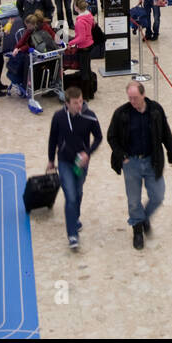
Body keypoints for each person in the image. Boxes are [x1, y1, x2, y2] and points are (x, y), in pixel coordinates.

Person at [107, 81, 172, 251]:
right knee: (133, 200)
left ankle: (143, 218)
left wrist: (171, 154)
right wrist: (122, 156)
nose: (133, 101)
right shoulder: (121, 113)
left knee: (158, 196)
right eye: (130, 98)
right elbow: (112, 136)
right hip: (131, 163)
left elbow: (165, 133)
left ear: (143, 94)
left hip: (152, 161)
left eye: (135, 98)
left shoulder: (155, 110)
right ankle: (137, 229)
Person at [46, 86, 103, 250]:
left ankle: (74, 218)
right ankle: (72, 235)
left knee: (78, 192)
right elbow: (52, 139)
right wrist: (51, 160)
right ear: (67, 103)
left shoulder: (90, 116)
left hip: (81, 162)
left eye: (80, 101)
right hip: (64, 161)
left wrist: (88, 153)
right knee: (70, 196)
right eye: (75, 102)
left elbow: (99, 137)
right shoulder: (58, 117)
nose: (79, 105)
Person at [66, 0, 97, 77]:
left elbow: (81, 38)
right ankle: (89, 84)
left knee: (84, 71)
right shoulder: (89, 15)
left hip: (84, 47)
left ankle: (85, 87)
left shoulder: (79, 22)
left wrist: (70, 43)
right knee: (87, 67)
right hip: (90, 43)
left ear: (76, 8)